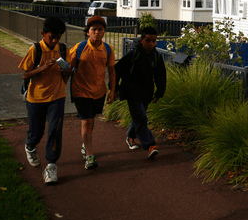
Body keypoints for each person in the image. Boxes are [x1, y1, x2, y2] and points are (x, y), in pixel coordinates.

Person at [19, 16, 70, 184]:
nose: (55, 40)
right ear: (43, 34)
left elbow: (68, 71)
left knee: (55, 130)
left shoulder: (62, 49)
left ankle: (51, 165)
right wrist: (42, 68)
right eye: (51, 37)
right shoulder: (35, 49)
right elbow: (25, 74)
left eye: (58, 37)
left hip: (57, 97)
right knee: (37, 131)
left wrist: (65, 77)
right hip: (36, 98)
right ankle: (30, 146)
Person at [69, 15, 116, 170]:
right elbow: (68, 68)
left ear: (104, 32)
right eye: (94, 29)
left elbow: (112, 70)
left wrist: (112, 90)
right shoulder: (79, 48)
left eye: (100, 29)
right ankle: (89, 154)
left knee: (92, 119)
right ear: (88, 32)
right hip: (80, 90)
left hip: (99, 91)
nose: (97, 32)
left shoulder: (108, 49)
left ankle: (85, 145)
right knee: (86, 120)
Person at [115, 26, 166, 159]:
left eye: (154, 41)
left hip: (146, 92)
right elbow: (117, 69)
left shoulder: (156, 56)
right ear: (141, 40)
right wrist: (114, 89)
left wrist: (159, 92)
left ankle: (130, 136)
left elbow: (160, 74)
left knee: (139, 116)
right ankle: (149, 145)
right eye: (148, 40)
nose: (151, 44)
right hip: (131, 91)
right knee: (141, 118)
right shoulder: (133, 54)